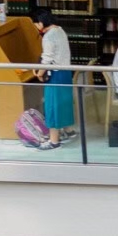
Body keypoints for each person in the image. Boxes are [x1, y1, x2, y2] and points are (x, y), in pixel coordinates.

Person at [37, 11, 76, 145]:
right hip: (66, 72)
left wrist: (40, 73)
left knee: (52, 106)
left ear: (41, 23)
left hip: (55, 74)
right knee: (64, 103)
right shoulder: (60, 30)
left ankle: (54, 141)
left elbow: (47, 58)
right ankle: (69, 131)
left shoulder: (48, 37)